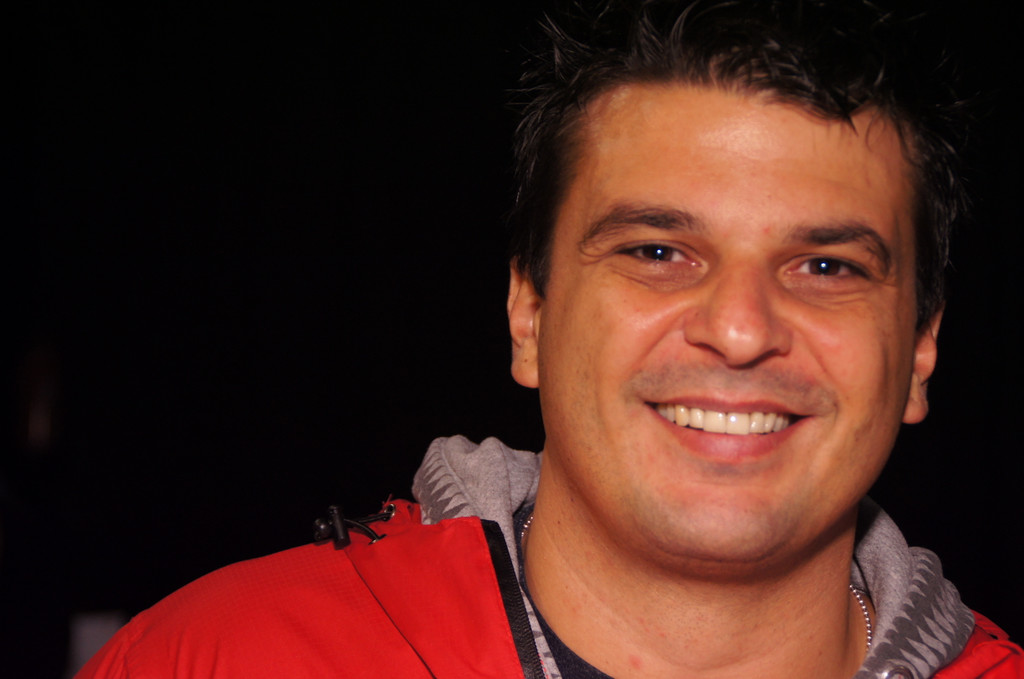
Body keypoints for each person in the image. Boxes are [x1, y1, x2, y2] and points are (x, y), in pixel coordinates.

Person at [78, 1, 1021, 677]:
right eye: (658, 251)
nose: (740, 330)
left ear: (920, 348)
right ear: (528, 311)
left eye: (824, 266)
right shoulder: (210, 657)